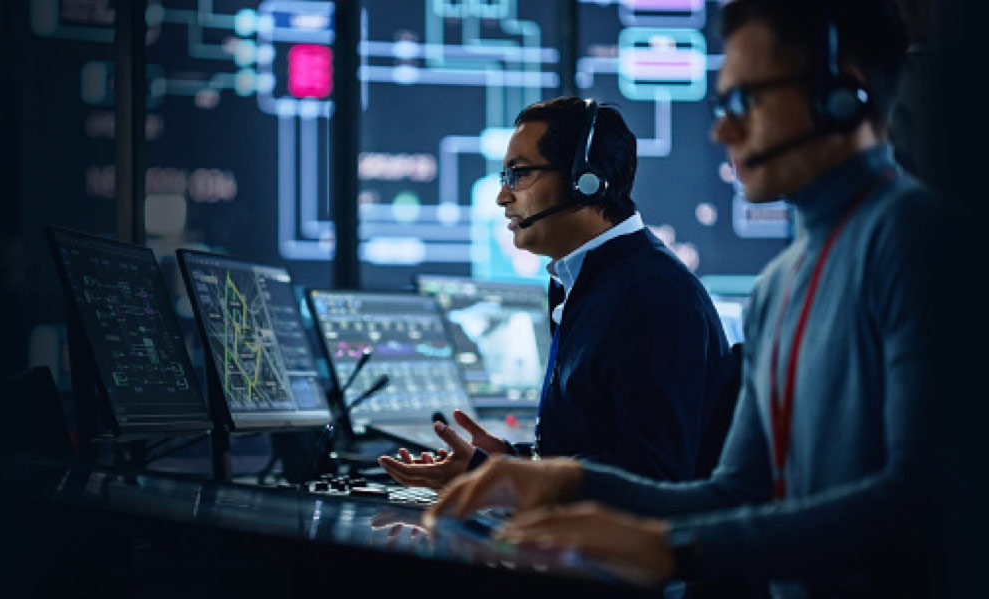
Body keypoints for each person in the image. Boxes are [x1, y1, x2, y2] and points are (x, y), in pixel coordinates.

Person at [425, 1, 942, 596]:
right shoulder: (780, 282)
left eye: (746, 99)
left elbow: (917, 501)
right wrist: (558, 481)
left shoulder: (914, 238)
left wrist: (672, 547)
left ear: (841, 94)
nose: (722, 129)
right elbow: (734, 493)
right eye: (722, 105)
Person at [379, 97, 738, 490]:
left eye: (518, 174)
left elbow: (653, 475)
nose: (503, 196)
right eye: (504, 177)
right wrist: (503, 461)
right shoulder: (586, 280)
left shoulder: (654, 298)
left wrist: (510, 482)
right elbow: (590, 447)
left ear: (586, 180)